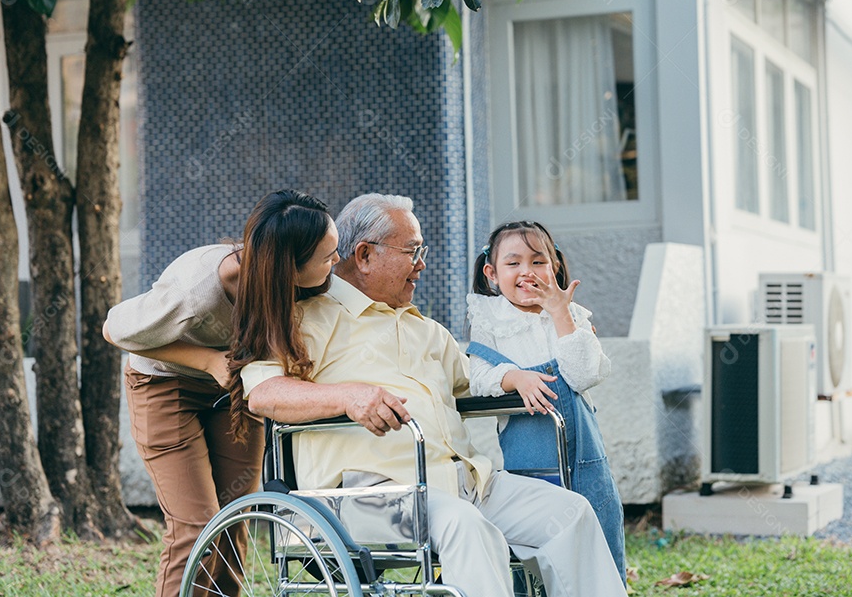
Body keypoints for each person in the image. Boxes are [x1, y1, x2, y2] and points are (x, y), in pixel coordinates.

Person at [242, 194, 627, 597]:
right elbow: (265, 393)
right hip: (372, 495)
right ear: (365, 255)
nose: (422, 263)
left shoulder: (425, 330)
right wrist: (347, 396)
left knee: (571, 513)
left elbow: (480, 382)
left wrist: (554, 333)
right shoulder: (305, 319)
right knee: (466, 526)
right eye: (413, 251)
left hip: (464, 483)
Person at [103, 189, 341, 597]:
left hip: (236, 387)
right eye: (329, 256)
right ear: (289, 266)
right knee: (196, 527)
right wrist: (207, 361)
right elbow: (115, 330)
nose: (338, 261)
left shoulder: (298, 283)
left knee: (234, 520)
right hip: (165, 386)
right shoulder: (197, 289)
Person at [467, 220, 626, 581]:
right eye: (513, 263)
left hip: (586, 461)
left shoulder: (572, 316)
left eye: (538, 261)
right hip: (531, 466)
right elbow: (477, 377)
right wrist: (513, 376)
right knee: (538, 550)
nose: (527, 272)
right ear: (492, 273)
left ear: (554, 266)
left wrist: (560, 314)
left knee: (600, 533)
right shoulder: (490, 319)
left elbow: (585, 374)